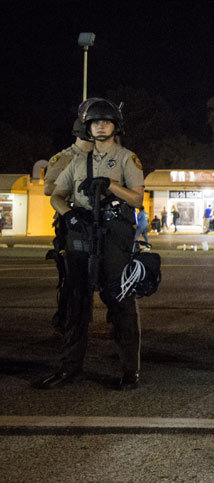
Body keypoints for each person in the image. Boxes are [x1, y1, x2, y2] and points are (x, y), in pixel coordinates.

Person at [40, 98, 145, 390]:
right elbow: (56, 195)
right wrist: (70, 215)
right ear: (87, 127)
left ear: (115, 127)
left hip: (113, 233)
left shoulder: (126, 158)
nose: (100, 126)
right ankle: (69, 368)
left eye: (106, 122)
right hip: (82, 231)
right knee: (76, 301)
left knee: (120, 299)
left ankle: (130, 371)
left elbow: (137, 198)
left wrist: (111, 185)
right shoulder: (76, 161)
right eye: (95, 122)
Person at [44, 117, 95, 333]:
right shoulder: (65, 157)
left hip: (97, 220)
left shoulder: (103, 156)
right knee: (72, 274)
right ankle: (66, 317)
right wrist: (74, 188)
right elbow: (49, 188)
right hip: (71, 220)